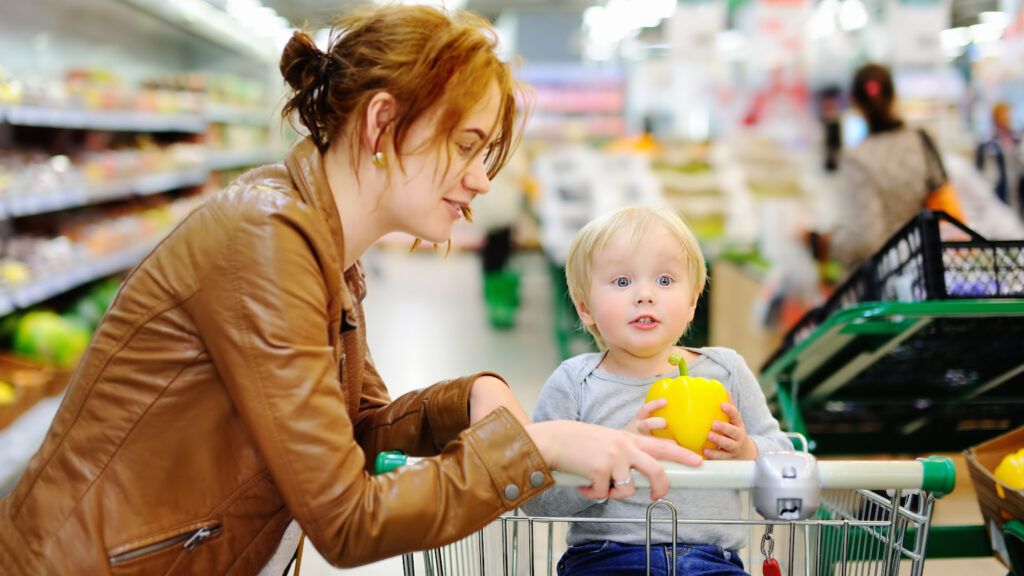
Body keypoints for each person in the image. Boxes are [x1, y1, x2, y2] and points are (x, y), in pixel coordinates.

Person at [0, 7, 701, 575]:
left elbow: (356, 435)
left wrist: (467, 400)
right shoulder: (263, 243)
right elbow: (345, 519)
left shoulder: (322, 246)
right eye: (466, 145)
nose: (482, 179)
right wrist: (539, 448)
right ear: (381, 123)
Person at [521, 206, 791, 575]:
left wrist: (745, 451)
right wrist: (609, 458)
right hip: (606, 558)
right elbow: (537, 499)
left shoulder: (726, 372)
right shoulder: (574, 384)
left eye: (664, 280)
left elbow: (785, 461)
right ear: (585, 308)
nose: (645, 295)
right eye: (621, 282)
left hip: (713, 560)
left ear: (693, 301)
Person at [831, 63, 950, 269]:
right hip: (927, 266)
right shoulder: (922, 139)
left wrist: (825, 245)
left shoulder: (856, 159)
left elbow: (864, 239)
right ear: (894, 95)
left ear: (855, 103)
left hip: (886, 277)